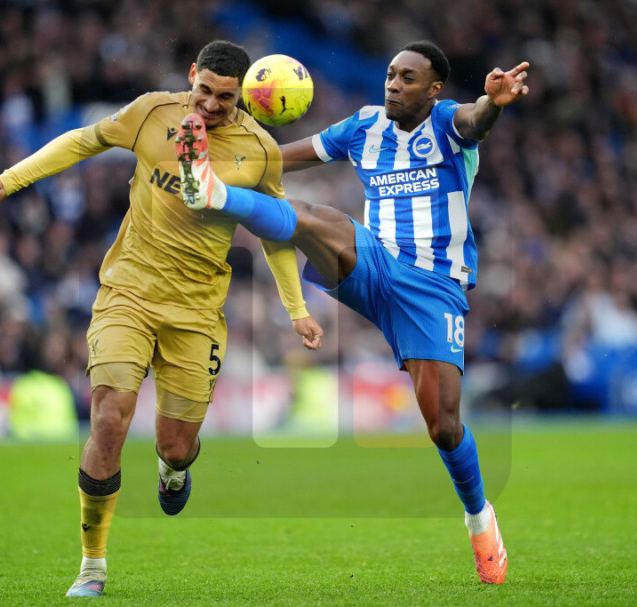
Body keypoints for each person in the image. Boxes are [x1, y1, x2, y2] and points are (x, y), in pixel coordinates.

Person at [0, 40, 324, 598]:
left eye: (225, 98)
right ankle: (92, 565)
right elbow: (84, 140)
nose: (210, 105)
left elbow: (275, 230)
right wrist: (10, 180)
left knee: (176, 445)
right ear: (191, 75)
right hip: (127, 293)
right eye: (203, 90)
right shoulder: (152, 111)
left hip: (196, 311)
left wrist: (296, 308)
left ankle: (173, 471)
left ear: (243, 98)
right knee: (110, 416)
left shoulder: (261, 150)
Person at [175, 40, 528, 584]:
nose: (393, 84)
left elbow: (475, 120)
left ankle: (479, 517)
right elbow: (278, 159)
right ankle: (211, 193)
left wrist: (494, 104)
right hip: (373, 264)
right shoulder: (363, 126)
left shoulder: (447, 123)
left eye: (408, 78)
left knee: (443, 427)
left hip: (433, 288)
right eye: (390, 74)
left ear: (433, 89)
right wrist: (224, 148)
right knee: (308, 216)